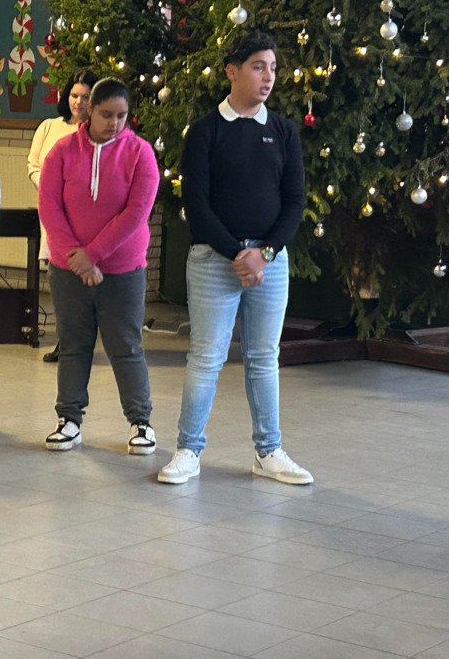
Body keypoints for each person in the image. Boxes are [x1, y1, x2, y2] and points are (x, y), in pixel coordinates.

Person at [158, 30, 311, 486]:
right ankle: (188, 450)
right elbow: (197, 205)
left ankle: (268, 451)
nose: (268, 77)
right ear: (232, 71)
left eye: (273, 68)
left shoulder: (283, 131)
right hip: (213, 260)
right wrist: (236, 254)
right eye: (258, 67)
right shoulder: (206, 131)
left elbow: (294, 202)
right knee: (207, 357)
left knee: (264, 357)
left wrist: (264, 253)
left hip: (270, 262)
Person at [38, 77, 159, 454]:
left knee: (125, 346)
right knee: (74, 345)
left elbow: (137, 212)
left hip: (122, 270)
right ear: (89, 109)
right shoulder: (61, 151)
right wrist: (75, 256)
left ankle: (141, 422)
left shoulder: (140, 153)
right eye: (107, 114)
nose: (115, 123)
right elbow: (50, 206)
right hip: (69, 269)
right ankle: (69, 420)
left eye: (122, 116)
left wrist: (94, 254)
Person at [28, 68, 98, 363]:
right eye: (74, 95)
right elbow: (34, 165)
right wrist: (52, 188)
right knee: (60, 281)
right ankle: (65, 340)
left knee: (82, 282)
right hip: (54, 214)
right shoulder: (49, 127)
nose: (78, 102)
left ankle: (81, 342)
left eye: (85, 97)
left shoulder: (96, 131)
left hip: (83, 217)